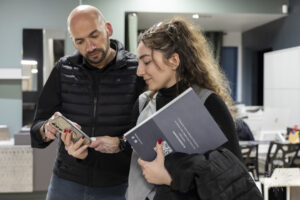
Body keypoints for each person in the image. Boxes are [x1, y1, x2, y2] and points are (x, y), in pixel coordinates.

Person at [126, 18, 263, 200]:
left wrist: (171, 178)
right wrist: (112, 146)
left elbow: (231, 178)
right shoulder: (143, 103)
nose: (139, 71)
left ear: (174, 60)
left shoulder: (208, 103)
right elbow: (132, 162)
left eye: (146, 62)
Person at [30, 5, 144, 200]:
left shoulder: (137, 70)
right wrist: (46, 129)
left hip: (118, 183)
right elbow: (37, 128)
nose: (89, 47)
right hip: (65, 183)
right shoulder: (63, 69)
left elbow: (149, 129)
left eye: (94, 36)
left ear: (108, 29)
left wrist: (121, 143)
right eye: (80, 41)